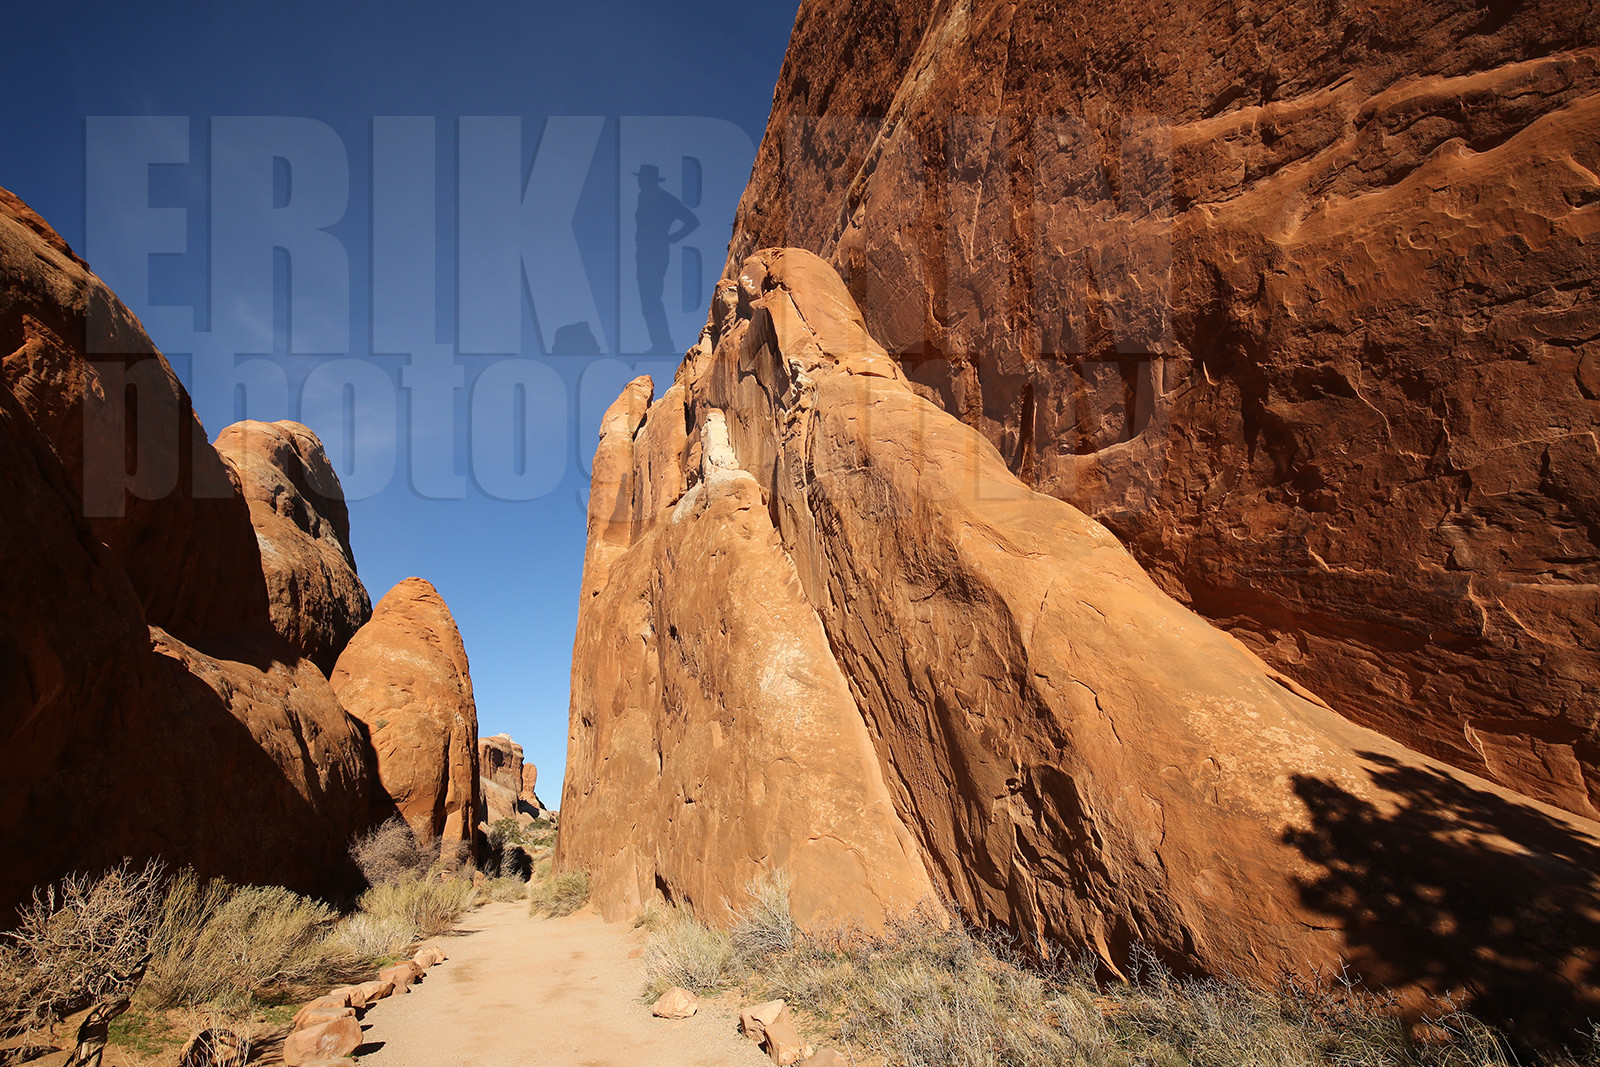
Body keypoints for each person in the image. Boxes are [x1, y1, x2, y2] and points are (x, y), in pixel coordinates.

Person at [633, 163, 699, 356]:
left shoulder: (664, 198)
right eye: (639, 177)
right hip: (644, 254)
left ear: (652, 180)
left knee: (651, 300)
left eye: (643, 177)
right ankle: (660, 344)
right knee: (648, 301)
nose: (640, 180)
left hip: (655, 254)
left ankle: (663, 344)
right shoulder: (643, 197)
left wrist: (672, 238)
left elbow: (692, 221)